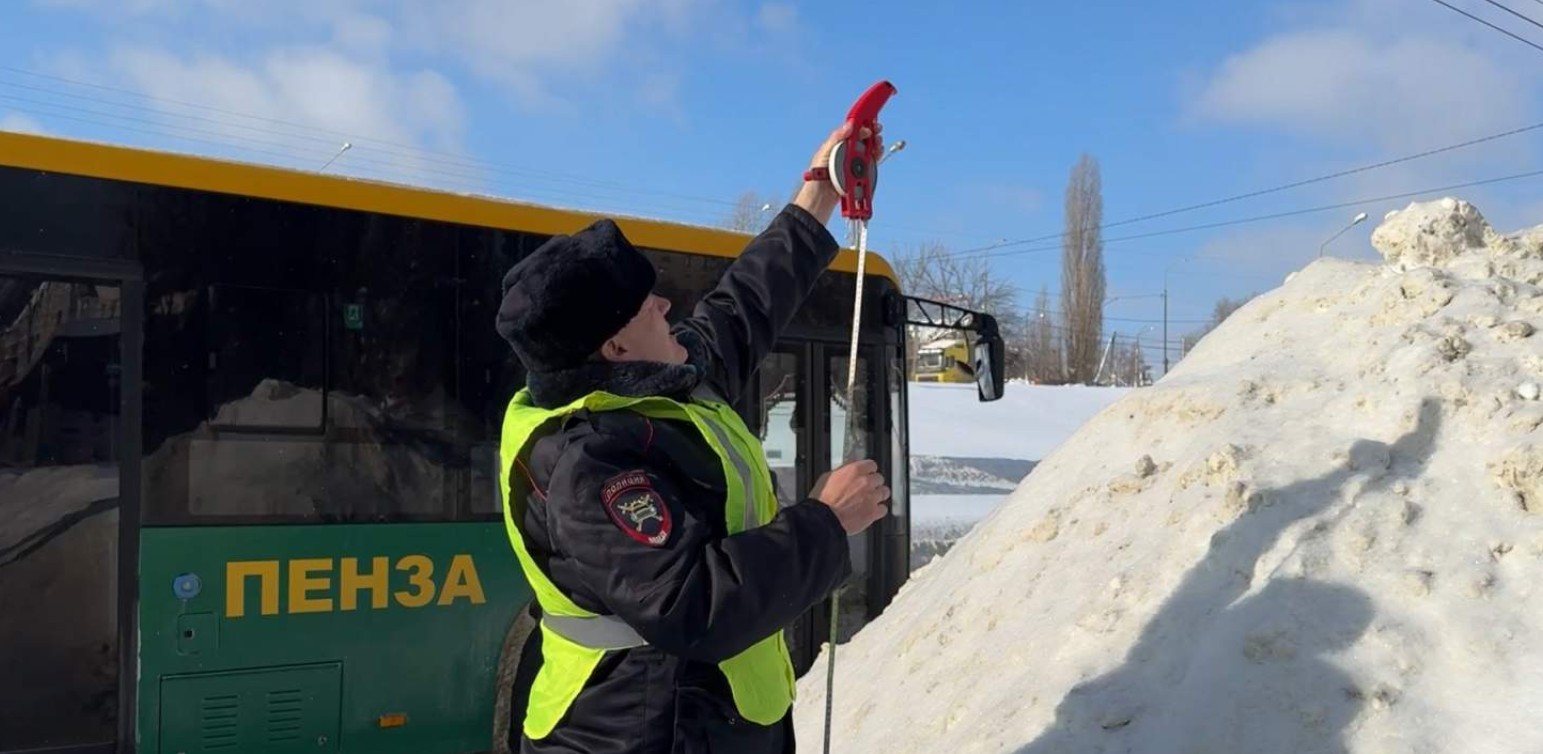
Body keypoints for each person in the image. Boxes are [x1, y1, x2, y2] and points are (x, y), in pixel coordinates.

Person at [493, 121, 893, 754]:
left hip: (698, 717)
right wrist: (827, 520)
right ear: (615, 346)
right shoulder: (586, 460)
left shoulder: (658, 381)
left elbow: (744, 305)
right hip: (642, 731)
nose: (666, 307)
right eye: (646, 304)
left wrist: (819, 190)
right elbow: (695, 601)